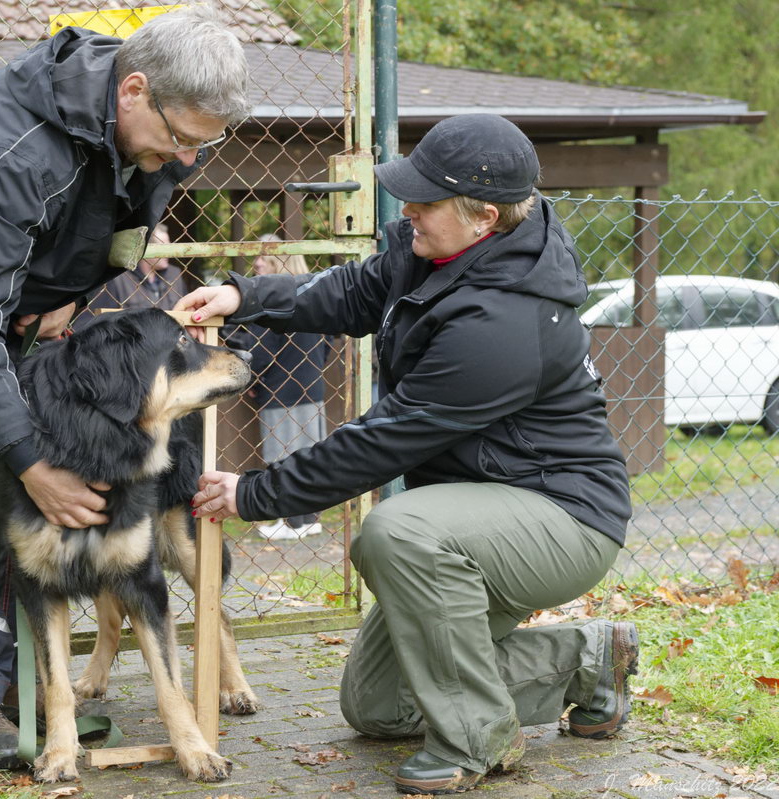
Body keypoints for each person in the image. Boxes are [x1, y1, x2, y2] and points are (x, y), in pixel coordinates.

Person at [0, 6, 250, 766]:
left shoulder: (151, 132)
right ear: (132, 91)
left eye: (202, 142)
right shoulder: (17, 144)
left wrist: (76, 290)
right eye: (182, 138)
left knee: (21, 441)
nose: (186, 157)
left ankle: (24, 666)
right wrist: (30, 463)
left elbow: (128, 224)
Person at [181, 114, 635, 795]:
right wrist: (247, 294)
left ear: (483, 216)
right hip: (473, 511)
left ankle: (475, 736)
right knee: (378, 707)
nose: (408, 209)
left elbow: (384, 440)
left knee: (398, 532)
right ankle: (587, 658)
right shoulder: (437, 253)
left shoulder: (502, 322)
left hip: (559, 515)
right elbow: (356, 291)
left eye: (425, 200)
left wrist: (255, 493)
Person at [232, 235, 329, 540]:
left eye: (262, 257)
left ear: (277, 261)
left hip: (280, 392)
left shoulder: (272, 302)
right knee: (309, 454)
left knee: (281, 457)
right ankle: (308, 518)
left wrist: (250, 378)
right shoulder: (311, 297)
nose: (256, 263)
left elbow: (260, 352)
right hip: (312, 388)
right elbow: (326, 345)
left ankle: (290, 522)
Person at [84, 222, 187, 317]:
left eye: (170, 247)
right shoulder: (118, 279)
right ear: (146, 248)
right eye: (163, 247)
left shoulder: (175, 274)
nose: (169, 253)